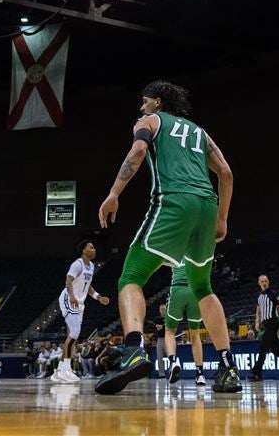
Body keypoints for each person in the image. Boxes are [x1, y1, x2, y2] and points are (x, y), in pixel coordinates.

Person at [95, 81, 240, 394]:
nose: (141, 107)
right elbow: (226, 174)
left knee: (130, 276)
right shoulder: (200, 133)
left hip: (174, 201)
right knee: (203, 287)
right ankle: (228, 368)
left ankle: (133, 350)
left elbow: (137, 150)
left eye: (144, 101)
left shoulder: (150, 121)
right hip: (206, 205)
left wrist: (113, 193)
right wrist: (222, 219)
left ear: (157, 102)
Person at [52, 240, 109, 384]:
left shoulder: (91, 266)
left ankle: (60, 371)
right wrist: (71, 296)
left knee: (73, 337)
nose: (94, 249)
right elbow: (68, 280)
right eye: (91, 247)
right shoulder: (78, 264)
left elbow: (87, 286)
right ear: (84, 250)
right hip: (69, 298)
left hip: (80, 303)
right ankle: (65, 369)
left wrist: (98, 297)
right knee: (74, 333)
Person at [164, 261, 208, 386]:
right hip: (194, 291)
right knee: (195, 335)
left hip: (177, 289)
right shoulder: (197, 250)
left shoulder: (175, 250)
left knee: (169, 331)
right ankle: (200, 374)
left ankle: (173, 362)